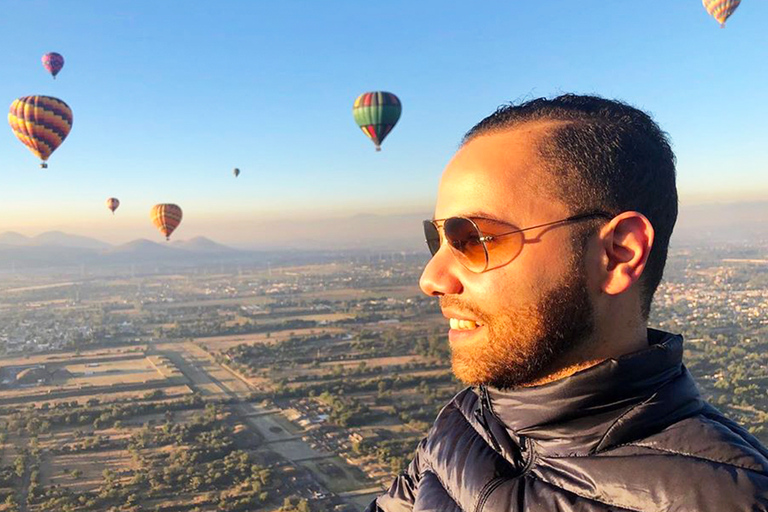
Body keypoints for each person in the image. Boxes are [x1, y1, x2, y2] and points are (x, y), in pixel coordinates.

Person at [364, 95, 768, 511]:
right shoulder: (463, 425)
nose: (430, 278)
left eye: (475, 238)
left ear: (618, 253)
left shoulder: (736, 499)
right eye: (439, 239)